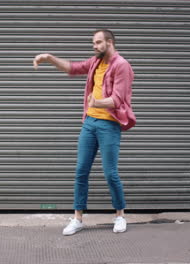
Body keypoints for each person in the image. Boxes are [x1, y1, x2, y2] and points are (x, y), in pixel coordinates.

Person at [33, 29, 136, 235]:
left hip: (109, 124)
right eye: (93, 43)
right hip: (90, 123)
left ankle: (120, 216)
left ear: (109, 42)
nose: (94, 46)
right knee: (81, 172)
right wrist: (50, 58)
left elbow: (118, 99)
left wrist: (97, 102)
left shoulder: (121, 66)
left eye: (98, 43)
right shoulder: (95, 63)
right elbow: (73, 68)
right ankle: (78, 218)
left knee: (110, 173)